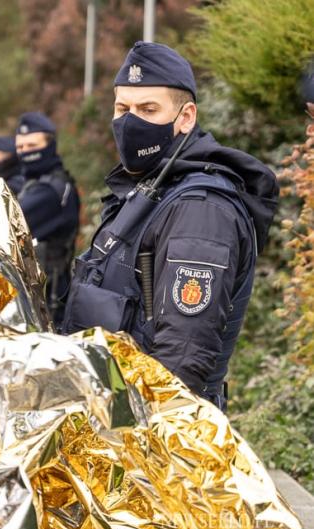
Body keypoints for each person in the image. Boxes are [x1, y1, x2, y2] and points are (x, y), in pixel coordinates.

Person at [62, 42, 279, 412]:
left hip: (148, 437)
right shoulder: (149, 189)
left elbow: (181, 362)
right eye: (122, 108)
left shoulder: (201, 210)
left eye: (149, 109)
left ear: (186, 117)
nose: (130, 122)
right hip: (106, 415)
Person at [14, 112, 80, 327]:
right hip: (40, 297)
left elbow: (7, 222)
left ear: (50, 145)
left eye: (32, 146)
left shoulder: (50, 191)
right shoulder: (35, 185)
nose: (25, 153)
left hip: (49, 302)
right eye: (20, 148)